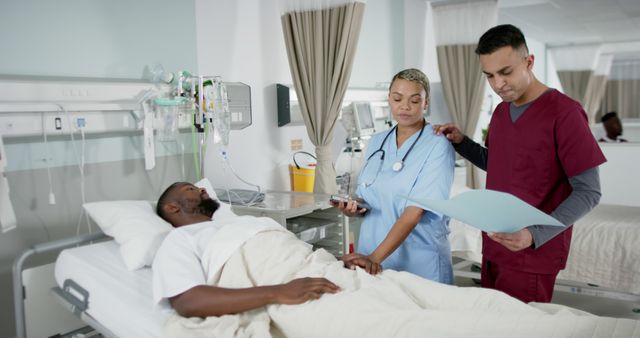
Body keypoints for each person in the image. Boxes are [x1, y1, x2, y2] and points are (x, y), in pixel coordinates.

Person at [434, 24, 606, 303]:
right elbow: (504, 165)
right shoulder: (501, 112)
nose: (498, 84)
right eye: (489, 76)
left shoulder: (565, 113)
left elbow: (589, 192)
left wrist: (535, 234)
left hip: (532, 252)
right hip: (494, 245)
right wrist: (462, 143)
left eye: (506, 72)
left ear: (529, 62)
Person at [152, 182, 379, 318]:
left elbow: (291, 252)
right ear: (172, 208)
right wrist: (278, 292)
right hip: (288, 288)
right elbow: (187, 301)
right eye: (191, 189)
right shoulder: (179, 240)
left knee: (392, 294)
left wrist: (340, 260)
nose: (202, 189)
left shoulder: (242, 222)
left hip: (322, 270)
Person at [332, 68, 455, 284]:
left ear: (425, 103)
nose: (405, 106)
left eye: (415, 100)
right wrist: (354, 208)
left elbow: (414, 212)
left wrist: (374, 258)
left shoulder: (438, 145)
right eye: (398, 98)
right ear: (389, 99)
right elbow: (370, 199)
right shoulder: (377, 142)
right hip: (372, 257)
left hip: (418, 262)